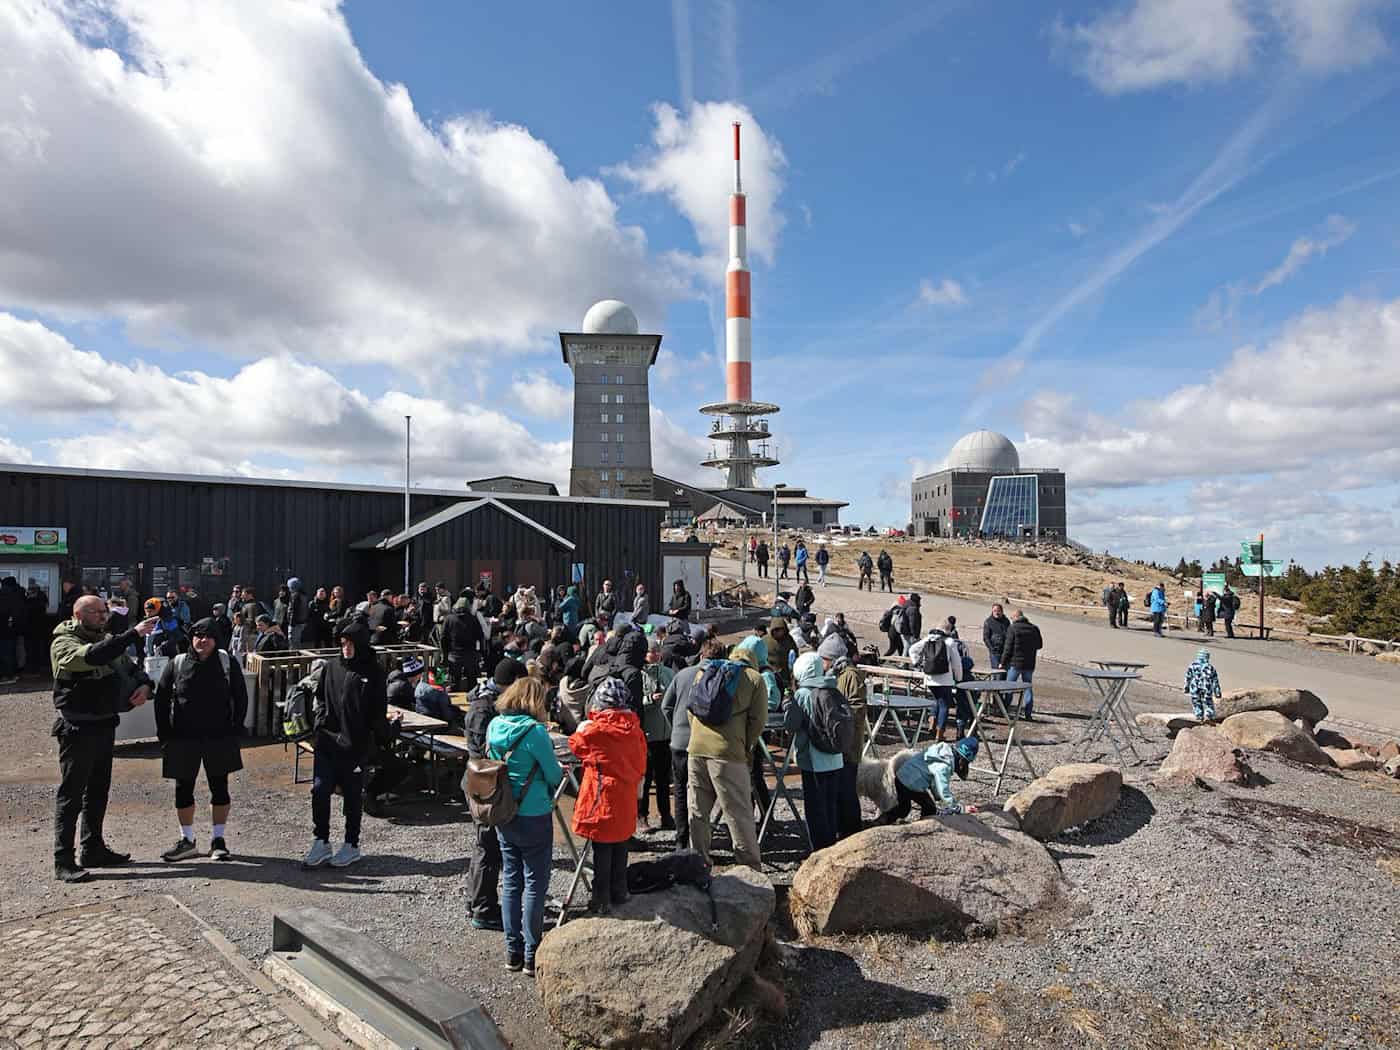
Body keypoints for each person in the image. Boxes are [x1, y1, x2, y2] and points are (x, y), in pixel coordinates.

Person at [50, 597, 159, 881]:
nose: (103, 616)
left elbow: (132, 669)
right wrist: (132, 634)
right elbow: (92, 657)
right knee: (72, 795)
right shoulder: (64, 642)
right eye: (96, 612)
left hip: (104, 723)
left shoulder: (108, 640)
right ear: (78, 615)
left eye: (104, 611)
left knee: (98, 791)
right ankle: (63, 861)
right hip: (78, 727)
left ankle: (93, 849)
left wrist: (145, 686)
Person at [486, 676, 564, 976]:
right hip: (534, 812)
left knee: (511, 881)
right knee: (534, 884)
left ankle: (513, 951)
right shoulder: (535, 732)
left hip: (504, 811)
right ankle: (532, 953)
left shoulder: (494, 725)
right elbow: (554, 775)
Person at [154, 618, 248, 862]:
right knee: (183, 789)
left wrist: (235, 729)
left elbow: (241, 696)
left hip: (219, 736)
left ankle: (218, 840)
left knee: (220, 787)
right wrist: (164, 734)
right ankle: (187, 840)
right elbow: (161, 699)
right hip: (183, 738)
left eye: (208, 636)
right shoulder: (177, 663)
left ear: (216, 639)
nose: (202, 640)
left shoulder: (227, 663)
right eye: (197, 635)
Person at [303, 616, 391, 870]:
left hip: (355, 746)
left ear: (361, 644)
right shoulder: (331, 667)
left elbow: (378, 710)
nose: (346, 648)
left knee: (352, 796)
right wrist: (320, 722)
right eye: (343, 643)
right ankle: (321, 840)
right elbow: (320, 697)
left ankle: (351, 844)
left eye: (351, 643)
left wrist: (383, 736)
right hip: (326, 742)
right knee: (319, 789)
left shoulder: (374, 672)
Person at [687, 638, 768, 870]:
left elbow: (691, 711)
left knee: (698, 810)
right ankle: (749, 867)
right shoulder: (754, 679)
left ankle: (698, 863)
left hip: (696, 748)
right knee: (737, 811)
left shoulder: (705, 672)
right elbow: (758, 721)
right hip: (728, 753)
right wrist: (745, 746)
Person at [569, 677, 647, 915]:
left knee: (602, 849)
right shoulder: (635, 729)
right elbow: (641, 761)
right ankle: (620, 891)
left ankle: (601, 898)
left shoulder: (595, 731)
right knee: (621, 843)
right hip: (625, 796)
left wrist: (582, 727)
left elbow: (575, 746)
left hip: (601, 797)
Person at [464, 659, 529, 930]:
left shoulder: (484, 702)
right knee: (488, 848)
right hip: (485, 786)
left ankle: (475, 901)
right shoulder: (484, 708)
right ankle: (483, 909)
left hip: (482, 783)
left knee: (484, 846)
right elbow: (483, 753)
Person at [783, 652, 848, 851]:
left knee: (815, 809)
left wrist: (787, 704)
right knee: (830, 805)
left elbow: (791, 725)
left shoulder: (803, 694)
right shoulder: (832, 688)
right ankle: (831, 846)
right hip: (835, 757)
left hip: (813, 760)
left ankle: (819, 851)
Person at [662, 638, 721, 850]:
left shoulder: (682, 674)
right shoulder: (720, 677)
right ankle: (702, 839)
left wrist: (676, 728)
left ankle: (681, 839)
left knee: (680, 790)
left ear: (701, 655)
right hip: (706, 743)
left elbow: (665, 706)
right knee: (705, 792)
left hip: (679, 741)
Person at [821, 634, 868, 839]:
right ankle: (842, 828)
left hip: (849, 742)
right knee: (840, 788)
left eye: (824, 659)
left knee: (847, 789)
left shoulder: (850, 675)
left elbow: (858, 707)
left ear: (832, 658)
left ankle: (852, 830)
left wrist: (840, 721)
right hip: (840, 741)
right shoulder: (836, 675)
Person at [878, 737, 979, 823]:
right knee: (929, 808)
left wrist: (937, 796)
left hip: (901, 778)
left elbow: (934, 781)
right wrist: (958, 808)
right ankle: (924, 828)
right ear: (961, 761)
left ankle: (879, 822)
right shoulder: (945, 765)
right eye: (964, 764)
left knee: (903, 809)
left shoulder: (942, 751)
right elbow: (943, 789)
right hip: (912, 783)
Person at [912, 620, 972, 741]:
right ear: (949, 630)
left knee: (937, 700)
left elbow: (912, 649)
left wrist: (917, 663)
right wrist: (959, 678)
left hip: (930, 677)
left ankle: (932, 724)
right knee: (944, 705)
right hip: (945, 679)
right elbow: (957, 663)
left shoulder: (927, 639)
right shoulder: (949, 642)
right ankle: (939, 733)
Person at [639, 641, 675, 829]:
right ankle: (642, 815)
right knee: (645, 780)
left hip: (665, 734)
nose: (654, 654)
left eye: (656, 651)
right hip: (647, 735)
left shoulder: (669, 673)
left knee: (663, 779)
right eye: (651, 651)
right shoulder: (639, 675)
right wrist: (649, 699)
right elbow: (634, 702)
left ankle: (666, 815)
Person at [1000, 609, 1043, 720]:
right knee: (1027, 687)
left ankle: (1005, 709)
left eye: (1012, 618)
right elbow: (1039, 645)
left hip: (1015, 663)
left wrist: (1002, 662)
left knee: (1009, 687)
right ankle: (1028, 713)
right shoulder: (1034, 628)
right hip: (1029, 663)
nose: (1011, 620)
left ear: (1015, 617)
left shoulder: (1013, 628)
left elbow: (1008, 647)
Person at [441, 595, 487, 691]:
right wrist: (481, 652)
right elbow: (480, 636)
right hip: (471, 653)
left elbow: (443, 637)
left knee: (454, 682)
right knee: (472, 682)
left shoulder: (449, 619)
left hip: (454, 654)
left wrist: (445, 653)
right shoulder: (473, 618)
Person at [0, 576, 27, 684]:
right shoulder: (18, 594)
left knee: (5, 653)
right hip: (14, 629)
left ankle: (7, 675)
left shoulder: (4, 595)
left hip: (4, 628)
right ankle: (13, 673)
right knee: (13, 651)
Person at [1184, 649, 1222, 720]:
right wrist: (1217, 693)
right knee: (1208, 702)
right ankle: (1209, 715)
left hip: (1195, 687)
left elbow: (1188, 677)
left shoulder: (1192, 666)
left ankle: (1199, 715)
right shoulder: (1210, 668)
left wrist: (1186, 688)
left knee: (1196, 701)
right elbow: (1215, 681)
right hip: (1206, 687)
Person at [767, 617, 798, 694]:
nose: (777, 632)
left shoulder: (788, 639)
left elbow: (795, 651)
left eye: (779, 630)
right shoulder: (766, 641)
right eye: (775, 630)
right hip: (772, 673)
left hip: (786, 672)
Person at [982, 604, 1010, 671]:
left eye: (998, 611)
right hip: (995, 652)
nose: (996, 613)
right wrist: (992, 649)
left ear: (1002, 611)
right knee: (997, 672)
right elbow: (986, 637)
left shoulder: (1006, 621)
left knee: (1005, 672)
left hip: (1005, 652)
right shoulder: (988, 622)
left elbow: (1010, 635)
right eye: (994, 611)